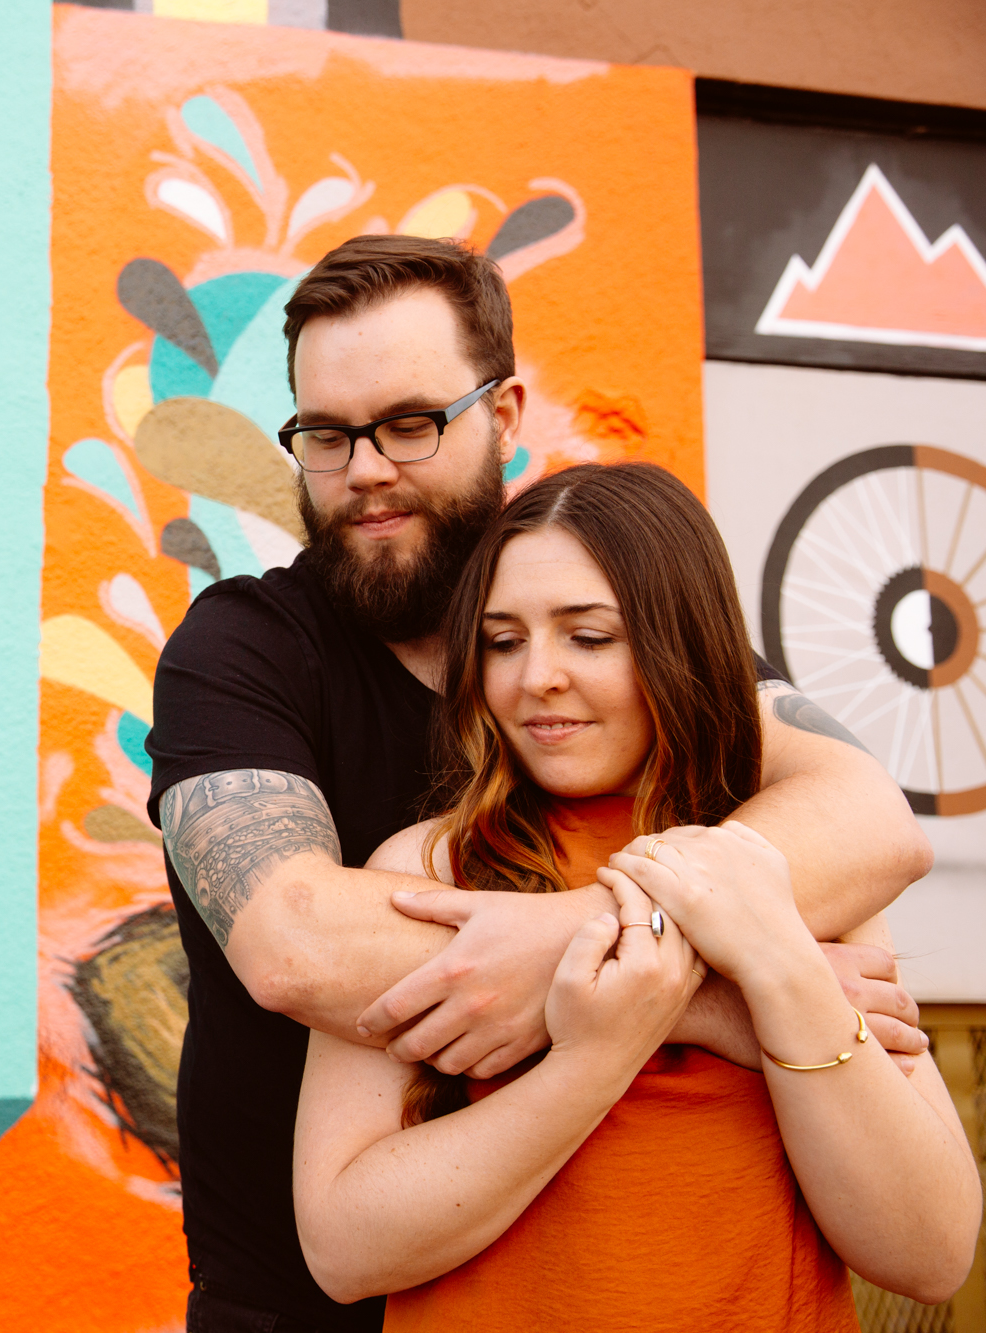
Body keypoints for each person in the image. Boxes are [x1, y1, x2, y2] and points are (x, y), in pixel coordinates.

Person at [145, 235, 935, 1332]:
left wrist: (569, 940)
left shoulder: (606, 640)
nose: (365, 466)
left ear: (504, 415)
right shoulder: (243, 649)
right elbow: (296, 945)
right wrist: (708, 995)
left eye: (409, 422)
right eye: (326, 435)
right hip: (290, 1308)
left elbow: (866, 821)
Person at [291, 462, 980, 1327]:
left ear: (680, 642)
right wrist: (601, 1050)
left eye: (589, 636)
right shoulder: (427, 871)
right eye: (503, 640)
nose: (536, 675)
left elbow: (931, 1250)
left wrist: (775, 972)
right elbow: (344, 1249)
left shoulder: (793, 868)